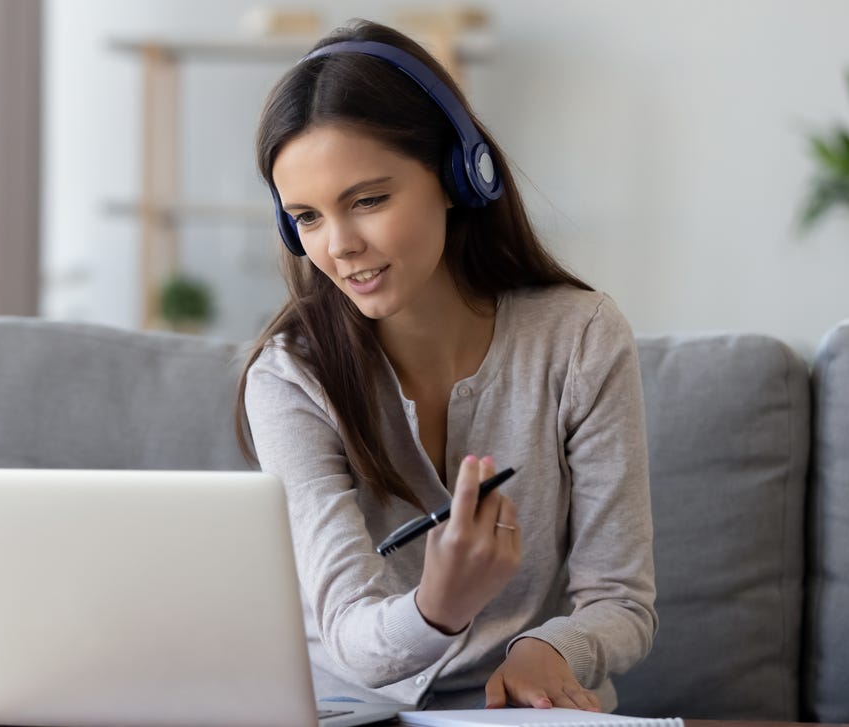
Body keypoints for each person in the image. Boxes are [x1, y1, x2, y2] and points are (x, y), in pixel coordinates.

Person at [236, 19, 656, 714]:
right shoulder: (289, 378)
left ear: (461, 174)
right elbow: (349, 631)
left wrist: (554, 647)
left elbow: (621, 599)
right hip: (351, 711)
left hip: (523, 711)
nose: (339, 246)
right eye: (307, 217)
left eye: (368, 200)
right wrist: (439, 604)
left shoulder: (581, 338)